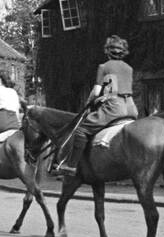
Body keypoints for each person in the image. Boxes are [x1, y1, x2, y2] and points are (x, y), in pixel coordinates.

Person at [54, 35, 139, 176]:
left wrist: (89, 102)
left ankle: (71, 166)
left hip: (114, 107)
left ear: (107, 51)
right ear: (123, 52)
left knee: (81, 131)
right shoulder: (129, 68)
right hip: (131, 107)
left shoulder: (104, 67)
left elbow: (97, 92)